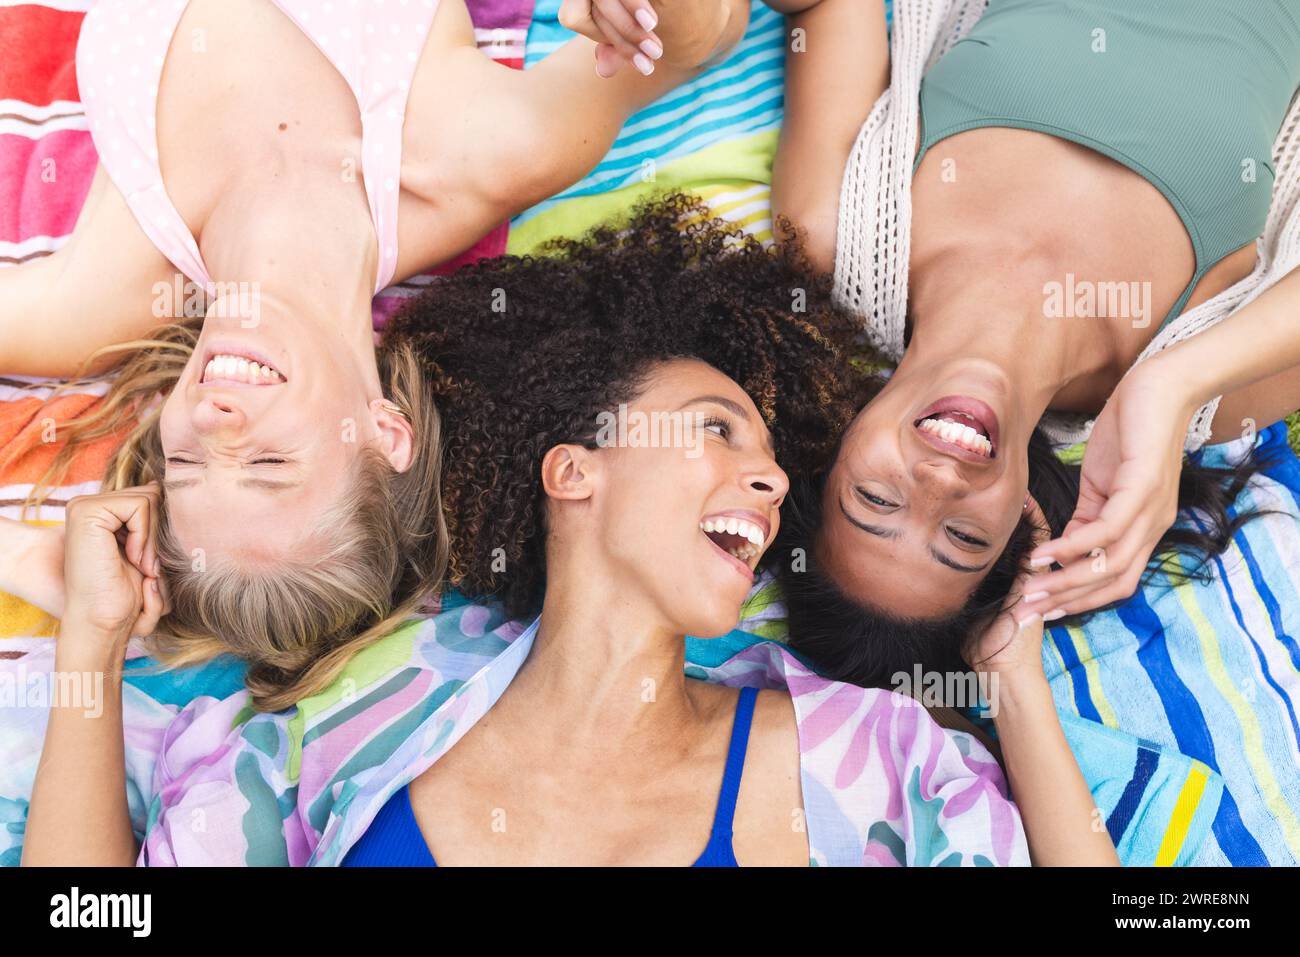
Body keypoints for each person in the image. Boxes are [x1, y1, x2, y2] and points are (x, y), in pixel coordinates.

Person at [22, 197, 1117, 866]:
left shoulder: (880, 762)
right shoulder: (342, 725)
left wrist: (1010, 672)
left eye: (767, 460)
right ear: (571, 473)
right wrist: (90, 652)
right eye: (715, 429)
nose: (772, 479)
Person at [0, 0, 748, 706]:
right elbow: (703, 39)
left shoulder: (98, 299)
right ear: (385, 430)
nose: (217, 421)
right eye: (268, 464)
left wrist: (22, 558)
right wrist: (654, 12)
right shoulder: (477, 154)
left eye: (188, 465)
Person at [762, 0, 1300, 685]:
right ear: (1025, 518)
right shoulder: (1199, 389)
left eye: (875, 501)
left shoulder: (833, 234)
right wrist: (1172, 383)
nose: (934, 484)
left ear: (837, 443)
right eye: (962, 538)